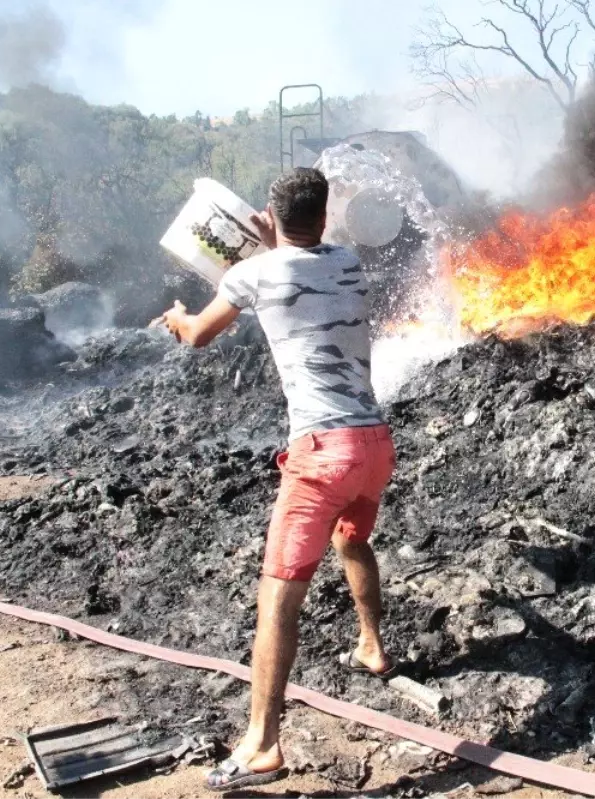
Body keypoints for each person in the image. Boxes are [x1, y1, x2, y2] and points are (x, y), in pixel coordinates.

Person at [159, 167, 397, 793]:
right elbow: (296, 268)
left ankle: (262, 745)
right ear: (326, 217)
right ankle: (372, 645)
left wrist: (178, 316)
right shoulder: (348, 262)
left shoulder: (251, 274)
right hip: (374, 444)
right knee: (352, 538)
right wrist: (277, 243)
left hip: (320, 453)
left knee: (278, 601)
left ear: (268, 213)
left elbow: (199, 336)